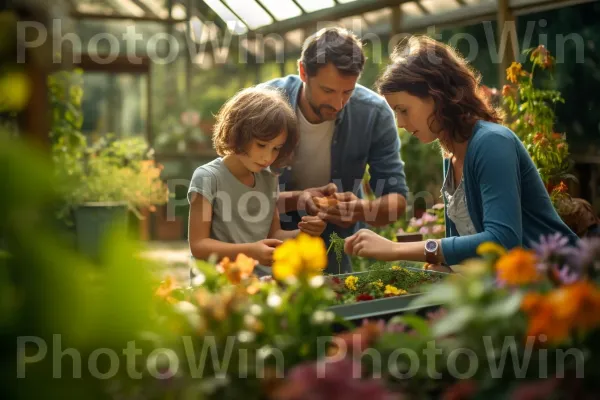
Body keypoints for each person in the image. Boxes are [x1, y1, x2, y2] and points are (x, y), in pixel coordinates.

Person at [344, 36, 579, 270]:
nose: (400, 123)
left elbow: (502, 241)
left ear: (436, 96)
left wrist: (396, 250)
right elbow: (462, 252)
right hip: (510, 292)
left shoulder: (491, 143)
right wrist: (443, 266)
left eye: (403, 110)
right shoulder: (451, 155)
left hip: (560, 287)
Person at [262, 27, 409, 274]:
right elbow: (234, 196)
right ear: (303, 72)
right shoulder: (262, 104)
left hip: (337, 243)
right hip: (268, 238)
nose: (338, 103)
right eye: (328, 91)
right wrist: (299, 199)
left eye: (347, 92)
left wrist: (359, 210)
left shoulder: (373, 113)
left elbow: (398, 200)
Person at [187, 86, 326, 275]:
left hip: (260, 287)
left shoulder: (268, 179)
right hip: (217, 288)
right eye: (261, 145)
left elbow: (274, 235)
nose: (268, 157)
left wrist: (303, 234)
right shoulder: (207, 178)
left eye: (276, 148)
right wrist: (250, 251)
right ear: (238, 132)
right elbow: (199, 245)